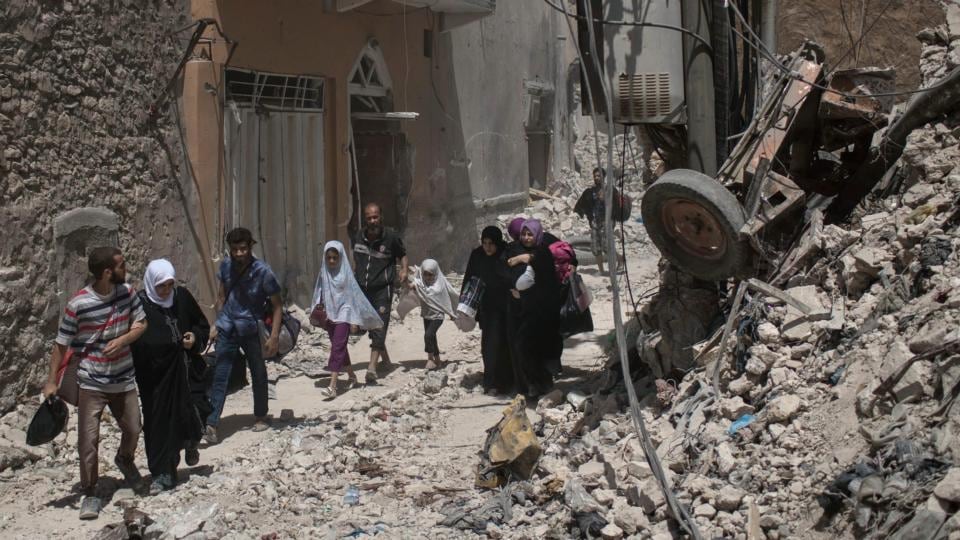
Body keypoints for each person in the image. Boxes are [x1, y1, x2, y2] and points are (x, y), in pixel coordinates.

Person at [42, 247, 147, 520]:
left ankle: (125, 460)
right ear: (107, 272)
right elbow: (61, 344)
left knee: (134, 428)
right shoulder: (78, 305)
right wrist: (51, 381)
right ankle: (90, 492)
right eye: (122, 264)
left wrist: (123, 340)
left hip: (123, 379)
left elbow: (141, 323)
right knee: (88, 441)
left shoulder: (128, 293)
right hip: (91, 381)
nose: (127, 268)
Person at [130, 259, 212, 495]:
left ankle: (190, 441)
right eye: (160, 287)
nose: (166, 291)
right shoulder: (139, 305)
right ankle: (163, 472)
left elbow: (201, 325)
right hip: (155, 377)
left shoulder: (182, 297)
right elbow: (135, 341)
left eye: (169, 285)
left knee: (196, 409)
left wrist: (194, 338)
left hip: (186, 370)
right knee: (159, 423)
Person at [205, 228, 283, 444]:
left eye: (243, 249)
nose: (239, 254)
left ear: (250, 246)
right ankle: (211, 423)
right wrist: (216, 322)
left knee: (258, 372)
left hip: (251, 330)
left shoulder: (263, 271)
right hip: (228, 328)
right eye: (235, 250)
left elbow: (277, 305)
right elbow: (221, 295)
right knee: (220, 375)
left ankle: (260, 415)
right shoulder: (226, 266)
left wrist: (274, 336)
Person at [313, 241, 383, 399]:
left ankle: (332, 386)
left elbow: (353, 298)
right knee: (340, 347)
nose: (331, 261)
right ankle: (351, 376)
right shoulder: (324, 273)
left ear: (340, 258)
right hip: (330, 314)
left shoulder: (346, 275)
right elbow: (319, 294)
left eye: (334, 258)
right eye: (328, 257)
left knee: (337, 347)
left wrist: (353, 320)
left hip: (344, 313)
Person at [501, 219, 562, 399]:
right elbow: (503, 271)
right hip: (517, 309)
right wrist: (513, 286)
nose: (526, 238)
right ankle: (529, 385)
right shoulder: (512, 249)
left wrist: (524, 259)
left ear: (537, 235)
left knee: (539, 347)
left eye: (530, 234)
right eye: (524, 234)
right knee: (521, 347)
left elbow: (547, 279)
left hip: (540, 310)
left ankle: (544, 383)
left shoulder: (543, 252)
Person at [352, 202, 408, 384]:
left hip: (383, 288)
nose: (372, 221)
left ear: (380, 217)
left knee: (379, 325)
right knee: (370, 325)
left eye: (375, 217)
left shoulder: (390, 236)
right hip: (362, 289)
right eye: (369, 218)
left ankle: (371, 368)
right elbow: (356, 261)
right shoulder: (358, 237)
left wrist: (404, 270)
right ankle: (386, 361)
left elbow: (403, 254)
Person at [463, 226, 513, 394]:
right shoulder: (477, 255)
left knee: (505, 343)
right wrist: (466, 307)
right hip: (487, 306)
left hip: (507, 304)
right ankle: (491, 381)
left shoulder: (506, 253)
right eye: (484, 243)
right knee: (490, 345)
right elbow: (469, 278)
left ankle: (506, 381)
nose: (487, 247)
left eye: (491, 243)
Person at [412, 259, 458, 370]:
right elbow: (410, 286)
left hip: (438, 316)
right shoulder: (420, 283)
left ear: (436, 273)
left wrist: (451, 312)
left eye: (431, 274)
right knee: (432, 337)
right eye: (425, 274)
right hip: (426, 315)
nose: (428, 277)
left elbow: (449, 297)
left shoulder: (441, 285)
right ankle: (438, 360)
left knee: (428, 335)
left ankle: (430, 359)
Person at [574, 167, 607, 272]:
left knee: (606, 247)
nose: (596, 178)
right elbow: (583, 202)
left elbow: (614, 206)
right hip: (594, 223)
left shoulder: (609, 190)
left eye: (599, 176)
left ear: (604, 177)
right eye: (595, 176)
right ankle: (601, 270)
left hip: (606, 222)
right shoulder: (590, 191)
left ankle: (620, 259)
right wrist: (580, 212)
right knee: (596, 249)